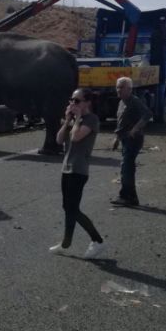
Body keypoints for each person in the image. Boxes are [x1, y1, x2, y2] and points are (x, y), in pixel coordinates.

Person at [49, 88, 106, 259]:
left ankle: (98, 241)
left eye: (77, 101)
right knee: (68, 208)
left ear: (87, 102)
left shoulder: (91, 120)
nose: (72, 104)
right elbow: (59, 140)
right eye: (71, 100)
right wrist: (67, 120)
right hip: (66, 168)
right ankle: (66, 243)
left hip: (79, 170)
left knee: (72, 209)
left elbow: (76, 138)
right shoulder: (73, 120)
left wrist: (78, 118)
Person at [112, 76, 152, 207]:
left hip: (133, 139)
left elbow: (147, 114)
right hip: (124, 138)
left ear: (129, 89)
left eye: (121, 87)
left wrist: (135, 129)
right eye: (117, 87)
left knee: (126, 167)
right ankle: (130, 197)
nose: (118, 90)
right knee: (126, 167)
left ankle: (127, 196)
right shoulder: (121, 102)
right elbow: (121, 123)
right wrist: (117, 139)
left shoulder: (134, 101)